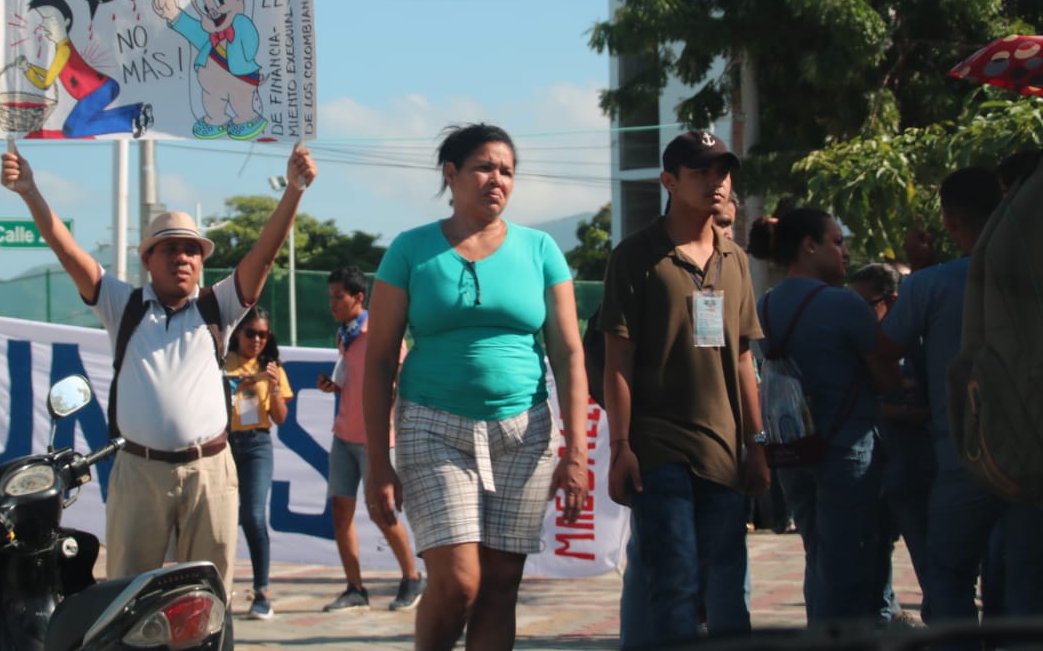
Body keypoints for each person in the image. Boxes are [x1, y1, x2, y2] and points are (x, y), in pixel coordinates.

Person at [0, 141, 316, 593]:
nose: (181, 258)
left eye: (191, 250)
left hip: (210, 471)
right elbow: (67, 251)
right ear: (147, 259)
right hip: (137, 471)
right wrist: (29, 190)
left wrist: (294, 190)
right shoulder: (121, 305)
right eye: (169, 249)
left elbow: (262, 257)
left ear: (202, 262)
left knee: (207, 598)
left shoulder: (218, 307)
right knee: (127, 595)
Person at [362, 123, 590, 651]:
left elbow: (569, 353)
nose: (497, 179)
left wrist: (575, 451)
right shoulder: (409, 250)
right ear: (451, 174)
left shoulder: (541, 250)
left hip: (525, 433)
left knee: (501, 584)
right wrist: (378, 460)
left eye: (507, 171)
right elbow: (377, 364)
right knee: (459, 582)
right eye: (485, 167)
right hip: (432, 427)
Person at [599, 129, 767, 647]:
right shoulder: (635, 255)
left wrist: (757, 444)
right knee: (673, 581)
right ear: (669, 181)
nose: (715, 182)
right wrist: (621, 447)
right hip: (658, 448)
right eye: (701, 172)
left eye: (722, 171)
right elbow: (617, 359)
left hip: (723, 450)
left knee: (726, 584)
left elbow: (742, 357)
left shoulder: (736, 260)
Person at [877, 167, 1043, 640]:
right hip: (1031, 455)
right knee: (1027, 580)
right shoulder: (1031, 275)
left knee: (948, 576)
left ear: (951, 222)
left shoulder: (931, 284)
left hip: (964, 456)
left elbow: (884, 348)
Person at [747, 211, 899, 625]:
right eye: (836, 241)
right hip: (846, 450)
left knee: (818, 554)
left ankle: (820, 632)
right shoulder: (845, 303)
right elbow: (887, 378)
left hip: (793, 450)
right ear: (809, 246)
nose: (844, 251)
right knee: (849, 561)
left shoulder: (766, 304)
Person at [316, 266, 425, 613]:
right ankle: (355, 588)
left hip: (375, 440)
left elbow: (400, 382)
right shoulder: (343, 334)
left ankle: (412, 578)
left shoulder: (383, 330)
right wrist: (336, 386)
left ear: (359, 298)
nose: (332, 303)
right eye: (330, 296)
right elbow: (353, 378)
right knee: (339, 511)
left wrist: (387, 431)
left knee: (382, 511)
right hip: (343, 434)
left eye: (338, 296)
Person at [848, 262, 930, 627]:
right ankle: (880, 622)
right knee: (872, 553)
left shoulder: (917, 343)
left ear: (891, 301)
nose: (856, 315)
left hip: (912, 471)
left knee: (931, 560)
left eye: (864, 305)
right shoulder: (860, 347)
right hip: (869, 472)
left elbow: (928, 408)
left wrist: (883, 408)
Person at [224, 307, 293, 620]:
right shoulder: (222, 362)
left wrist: (274, 385)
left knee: (252, 515)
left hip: (256, 445)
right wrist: (237, 381)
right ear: (237, 333)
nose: (256, 340)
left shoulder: (272, 367)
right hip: (222, 446)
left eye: (263, 335)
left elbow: (280, 418)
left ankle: (262, 590)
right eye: (250, 333)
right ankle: (216, 590)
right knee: (219, 521)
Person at [17, 0, 152, 139]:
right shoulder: (62, 48)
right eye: (44, 20)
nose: (44, 25)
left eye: (51, 20)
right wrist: (29, 67)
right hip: (102, 88)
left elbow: (46, 83)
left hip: (99, 90)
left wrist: (26, 70)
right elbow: (50, 73)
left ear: (66, 22)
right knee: (80, 124)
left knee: (72, 129)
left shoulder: (64, 50)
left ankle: (132, 122)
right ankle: (137, 113)